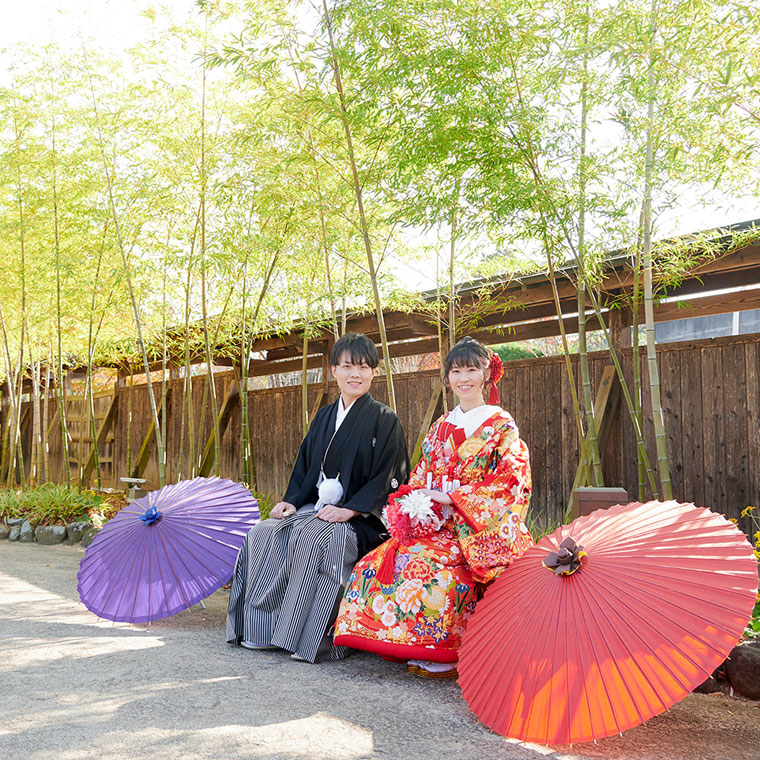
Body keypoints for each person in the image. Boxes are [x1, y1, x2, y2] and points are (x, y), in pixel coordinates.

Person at [333, 336, 533, 677]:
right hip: (437, 522)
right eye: (456, 371)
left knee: (429, 568)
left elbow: (511, 482)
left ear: (487, 375)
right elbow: (421, 472)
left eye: (472, 370)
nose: (463, 378)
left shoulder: (502, 426)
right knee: (380, 560)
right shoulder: (442, 425)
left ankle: (447, 650)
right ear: (448, 378)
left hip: (476, 528)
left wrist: (454, 499)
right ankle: (398, 641)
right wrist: (417, 504)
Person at [226, 332, 409, 663]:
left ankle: (309, 639)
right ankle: (260, 629)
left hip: (361, 521)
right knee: (263, 531)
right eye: (348, 366)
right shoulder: (324, 416)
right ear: (333, 371)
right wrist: (292, 501)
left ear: (374, 373)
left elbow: (390, 476)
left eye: (364, 367)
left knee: (315, 538)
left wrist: (352, 510)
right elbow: (306, 466)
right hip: (318, 507)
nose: (356, 374)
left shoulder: (385, 419)